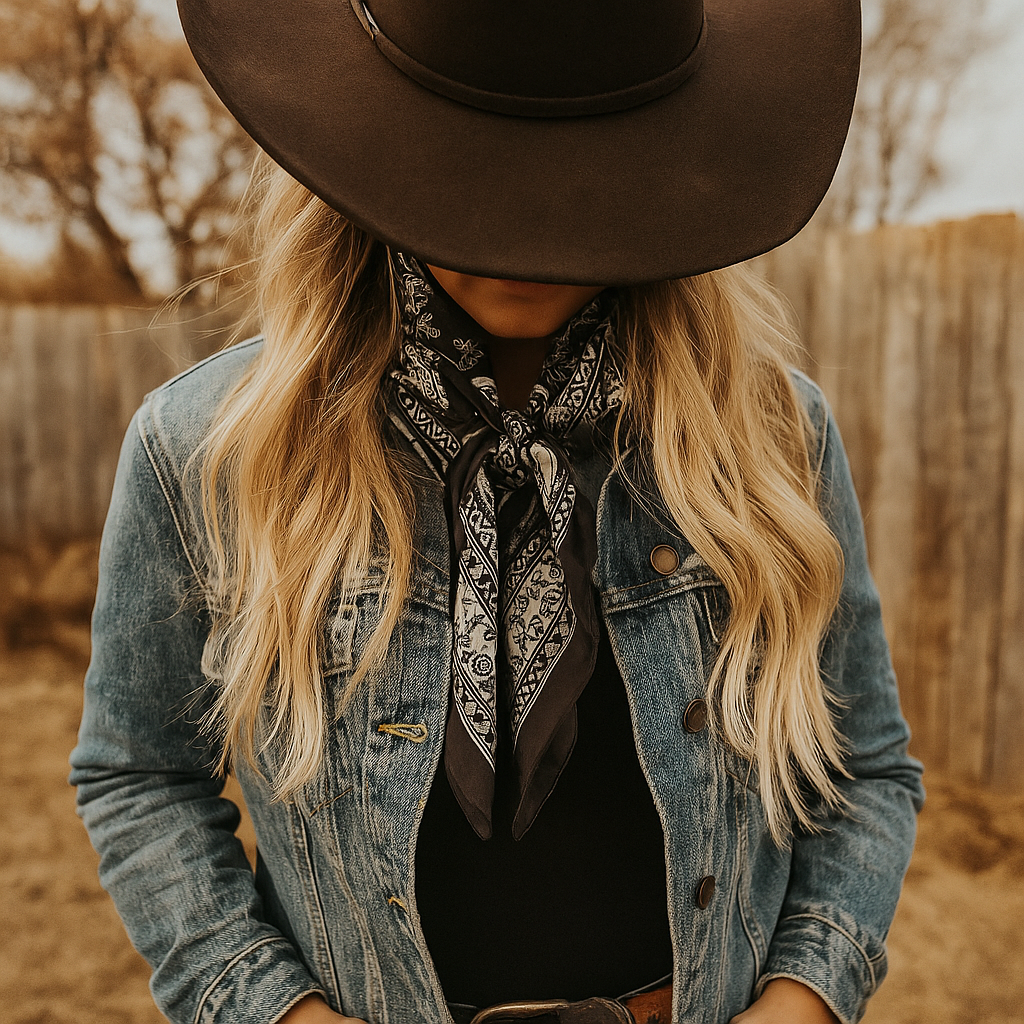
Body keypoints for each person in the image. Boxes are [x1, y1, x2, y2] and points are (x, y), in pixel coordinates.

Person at [70, 0, 925, 1023]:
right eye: (475, 163)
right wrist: (273, 1011)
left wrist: (802, 1001)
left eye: (575, 172)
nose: (522, 229)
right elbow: (142, 776)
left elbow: (864, 767)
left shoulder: (772, 437)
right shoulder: (207, 450)